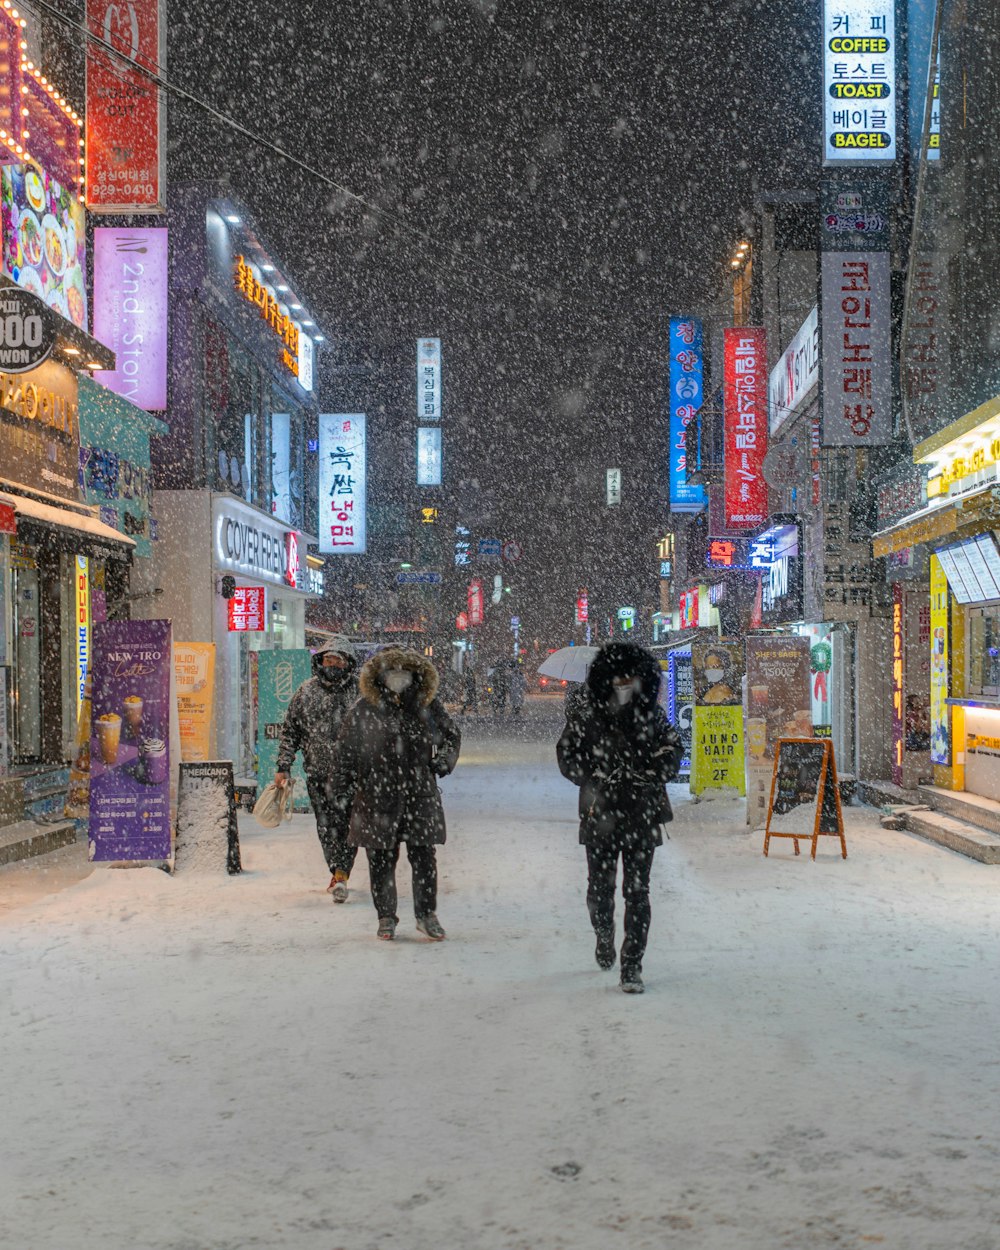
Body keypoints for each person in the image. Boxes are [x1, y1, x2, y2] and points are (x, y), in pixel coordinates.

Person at [557, 641, 681, 994]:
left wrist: (652, 772)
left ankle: (632, 965)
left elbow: (673, 749)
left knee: (638, 892)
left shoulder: (652, 716)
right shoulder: (587, 714)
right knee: (600, 889)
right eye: (618, 676)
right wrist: (593, 774)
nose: (624, 682)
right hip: (600, 815)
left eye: (631, 676)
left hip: (641, 815)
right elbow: (567, 754)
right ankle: (603, 934)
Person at [332, 647, 461, 941]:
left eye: (405, 672)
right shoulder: (364, 708)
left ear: (416, 676)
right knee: (380, 859)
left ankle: (426, 914)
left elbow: (451, 735)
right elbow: (345, 751)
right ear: (380, 676)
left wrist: (442, 761)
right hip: (376, 793)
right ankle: (386, 916)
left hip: (419, 792)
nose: (398, 678)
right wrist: (341, 787)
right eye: (392, 672)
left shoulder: (427, 706)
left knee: (424, 856)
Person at [274, 636, 360, 902]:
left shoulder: (360, 692)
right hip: (318, 773)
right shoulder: (306, 692)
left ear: (348, 664)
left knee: (349, 826)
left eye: (338, 660)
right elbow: (291, 732)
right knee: (325, 826)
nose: (332, 664)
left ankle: (342, 872)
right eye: (328, 659)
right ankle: (337, 869)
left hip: (353, 776)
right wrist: (283, 766)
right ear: (319, 661)